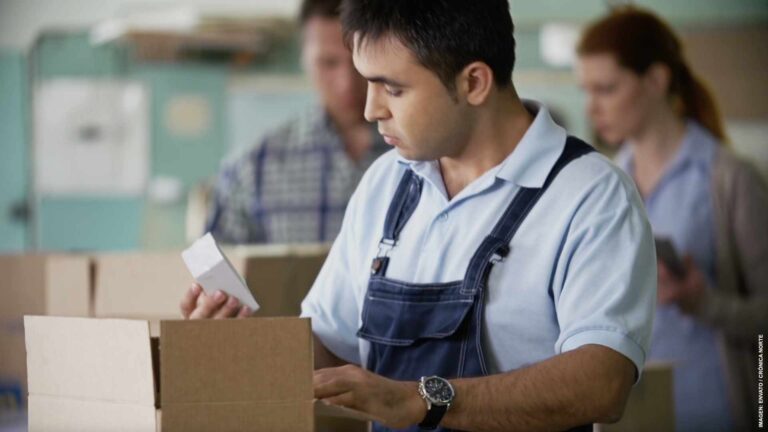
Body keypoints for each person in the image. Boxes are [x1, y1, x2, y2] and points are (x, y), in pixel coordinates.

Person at [182, 1, 657, 430]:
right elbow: (329, 347)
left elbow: (602, 381)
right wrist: (242, 346)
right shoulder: (386, 183)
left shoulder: (590, 196)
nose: (371, 110)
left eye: (393, 88)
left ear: (473, 82)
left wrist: (424, 400)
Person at [576, 7, 768, 432]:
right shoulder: (604, 182)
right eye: (585, 90)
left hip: (717, 407)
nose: (592, 108)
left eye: (606, 89)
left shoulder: (729, 178)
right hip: (632, 412)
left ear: (656, 81)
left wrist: (704, 303)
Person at [205, 0, 388, 244]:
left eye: (359, 62)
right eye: (328, 63)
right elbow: (213, 272)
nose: (346, 82)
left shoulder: (426, 156)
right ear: (305, 58)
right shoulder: (253, 169)